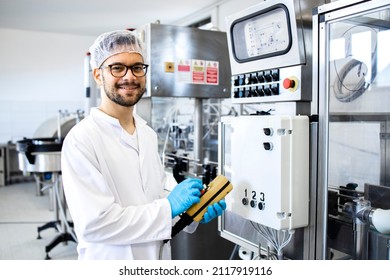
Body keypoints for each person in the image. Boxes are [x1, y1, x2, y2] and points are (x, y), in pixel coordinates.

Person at [61, 30, 226, 260]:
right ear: (98, 75)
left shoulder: (147, 134)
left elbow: (155, 199)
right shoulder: (82, 139)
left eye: (137, 67)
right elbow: (95, 224)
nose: (130, 77)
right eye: (117, 67)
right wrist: (169, 206)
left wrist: (191, 212)